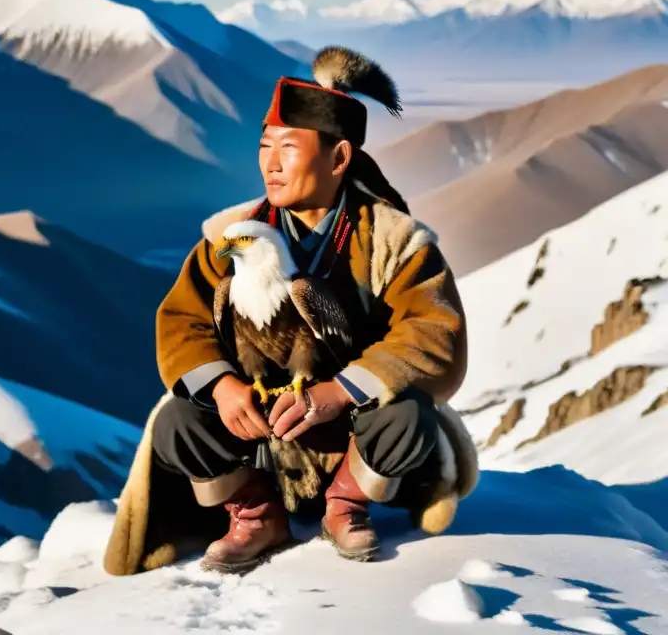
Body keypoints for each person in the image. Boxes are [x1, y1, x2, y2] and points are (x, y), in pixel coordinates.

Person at [102, 46, 476, 577]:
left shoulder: (396, 242)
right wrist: (225, 390)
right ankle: (255, 513)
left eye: (287, 147)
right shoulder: (227, 238)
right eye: (263, 146)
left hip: (353, 428)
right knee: (177, 421)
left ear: (339, 158)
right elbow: (182, 323)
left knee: (408, 415)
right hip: (257, 435)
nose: (270, 163)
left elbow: (433, 333)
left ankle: (347, 504)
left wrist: (339, 391)